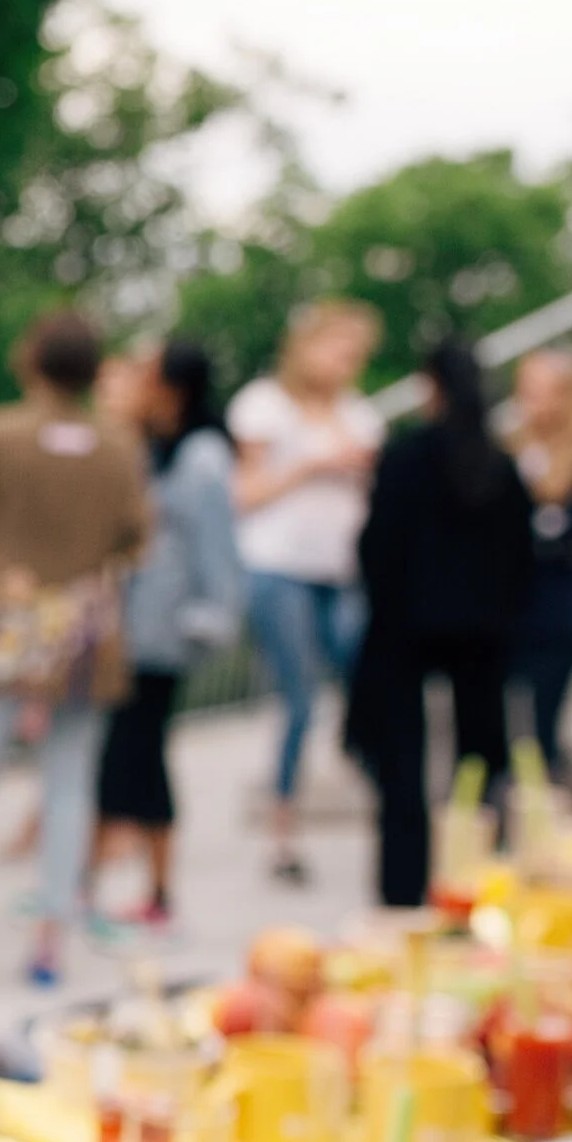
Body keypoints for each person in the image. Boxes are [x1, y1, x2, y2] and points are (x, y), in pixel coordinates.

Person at [0, 312, 151, 987]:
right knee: (69, 783)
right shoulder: (118, 445)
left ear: (31, 361)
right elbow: (135, 536)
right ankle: (50, 939)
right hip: (82, 636)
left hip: (2, 630)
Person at [348, 337, 535, 908]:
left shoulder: (406, 456)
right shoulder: (500, 464)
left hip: (405, 627)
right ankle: (473, 879)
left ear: (431, 386)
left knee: (402, 765)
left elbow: (376, 545)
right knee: (477, 758)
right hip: (481, 634)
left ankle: (403, 888)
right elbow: (521, 556)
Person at [229, 300, 383, 886]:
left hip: (339, 570)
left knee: (362, 685)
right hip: (279, 566)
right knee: (298, 700)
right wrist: (312, 465)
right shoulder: (264, 406)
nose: (346, 364)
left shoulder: (359, 415)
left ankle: (373, 796)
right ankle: (283, 834)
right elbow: (244, 493)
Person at [94, 341, 245, 926]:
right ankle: (118, 887)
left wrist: (204, 621)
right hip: (135, 629)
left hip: (165, 635)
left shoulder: (202, 459)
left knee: (140, 756)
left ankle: (155, 893)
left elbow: (217, 551)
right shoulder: (155, 449)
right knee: (126, 756)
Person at [504, 347, 572, 786]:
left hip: (558, 614)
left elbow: (570, 530)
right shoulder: (512, 450)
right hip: (511, 610)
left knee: (541, 734)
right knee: (506, 734)